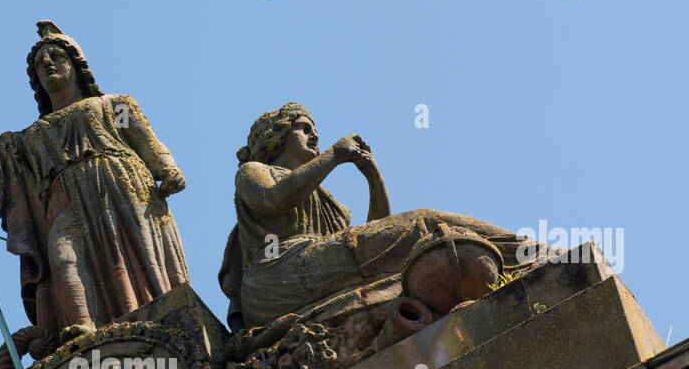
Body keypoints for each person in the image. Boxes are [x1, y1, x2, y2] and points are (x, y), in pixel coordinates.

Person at [0, 21, 189, 338]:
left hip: (122, 187)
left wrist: (167, 169)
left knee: (141, 256)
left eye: (56, 56)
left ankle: (162, 320)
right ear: (36, 80)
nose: (48, 64)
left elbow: (147, 141)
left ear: (78, 66)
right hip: (64, 205)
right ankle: (83, 324)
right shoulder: (28, 139)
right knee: (63, 256)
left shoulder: (113, 105)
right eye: (41, 64)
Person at [221, 102, 543, 331]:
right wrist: (334, 155)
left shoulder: (325, 200)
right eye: (304, 128)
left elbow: (374, 232)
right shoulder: (254, 172)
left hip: (308, 266)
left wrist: (372, 176)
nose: (315, 136)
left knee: (425, 230)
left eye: (315, 130)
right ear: (275, 136)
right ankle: (531, 256)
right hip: (274, 280)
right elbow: (274, 199)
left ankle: (525, 253)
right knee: (422, 225)